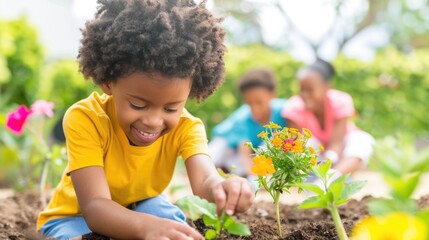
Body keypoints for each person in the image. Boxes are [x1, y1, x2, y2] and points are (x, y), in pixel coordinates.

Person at [37, 1, 253, 239]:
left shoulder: (188, 128)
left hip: (141, 203)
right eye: (138, 105)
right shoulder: (86, 118)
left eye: (171, 108)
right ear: (108, 83)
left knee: (168, 222)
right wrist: (143, 227)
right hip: (74, 216)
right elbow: (95, 207)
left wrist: (221, 188)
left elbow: (205, 181)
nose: (153, 121)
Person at [282, 59, 375, 180]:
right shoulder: (293, 107)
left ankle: (334, 176)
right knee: (306, 143)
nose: (305, 95)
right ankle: (323, 178)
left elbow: (337, 141)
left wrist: (330, 160)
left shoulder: (341, 101)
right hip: (315, 158)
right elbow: (297, 144)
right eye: (302, 90)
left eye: (310, 90)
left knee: (362, 141)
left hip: (341, 149)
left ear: (327, 87)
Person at [209, 68, 286, 180]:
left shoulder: (283, 111)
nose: (254, 109)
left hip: (252, 152)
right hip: (226, 142)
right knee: (212, 157)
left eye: (259, 102)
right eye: (249, 104)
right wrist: (254, 178)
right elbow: (244, 153)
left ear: (272, 95)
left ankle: (225, 168)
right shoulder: (242, 118)